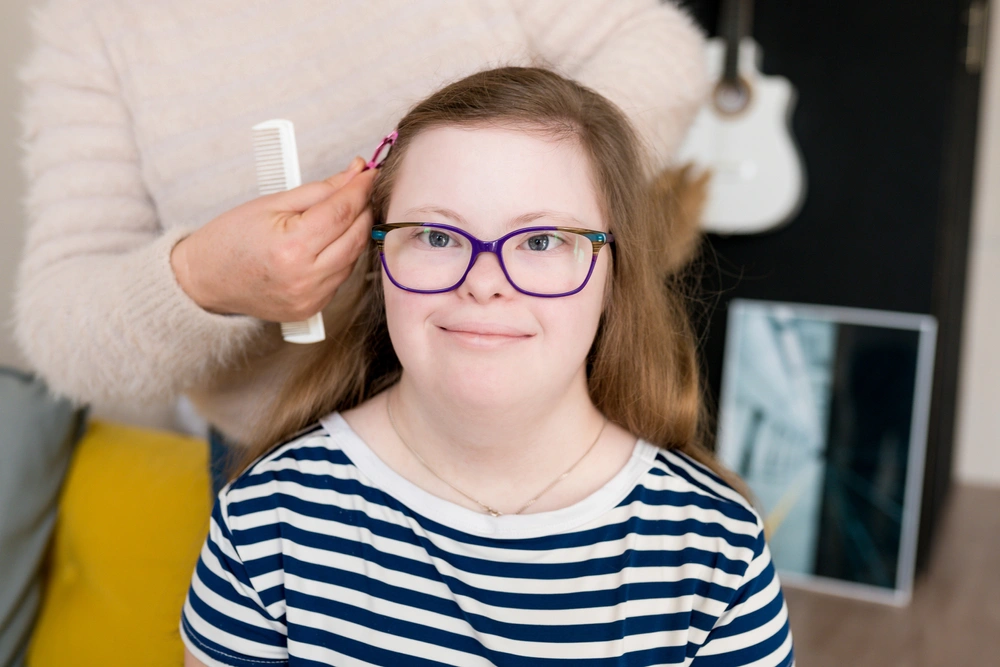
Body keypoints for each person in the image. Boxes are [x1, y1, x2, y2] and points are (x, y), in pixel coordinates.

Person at [180, 67, 794, 667]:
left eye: (541, 241)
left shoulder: (718, 554)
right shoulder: (266, 521)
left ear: (615, 274)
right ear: (377, 260)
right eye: (438, 236)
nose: (484, 283)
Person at [13, 0, 709, 495]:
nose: (475, 268)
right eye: (438, 233)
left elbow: (656, 47)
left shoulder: (700, 545)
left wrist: (503, 178)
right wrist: (204, 277)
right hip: (286, 447)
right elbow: (59, 328)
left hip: (541, 424)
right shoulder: (91, 29)